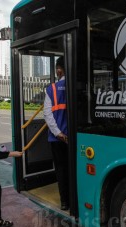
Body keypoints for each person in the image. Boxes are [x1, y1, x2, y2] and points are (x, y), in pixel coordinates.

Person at [43, 56, 69, 210]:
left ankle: (65, 202)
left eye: (57, 69)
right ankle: (74, 199)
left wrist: (58, 133)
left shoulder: (51, 89)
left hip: (57, 139)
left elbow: (48, 115)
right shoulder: (77, 86)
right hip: (75, 137)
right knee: (73, 168)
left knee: (61, 170)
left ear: (59, 69)